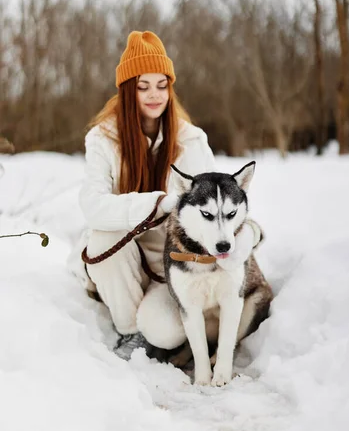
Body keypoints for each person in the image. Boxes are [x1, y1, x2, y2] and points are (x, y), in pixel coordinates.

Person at [69, 30, 259, 361]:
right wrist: (158, 203)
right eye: (143, 87)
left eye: (162, 85)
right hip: (122, 258)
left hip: (174, 266)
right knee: (101, 235)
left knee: (165, 330)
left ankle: (168, 334)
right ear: (128, 91)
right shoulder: (103, 139)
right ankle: (129, 331)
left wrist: (249, 233)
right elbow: (92, 205)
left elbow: (220, 206)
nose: (154, 95)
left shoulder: (191, 140)